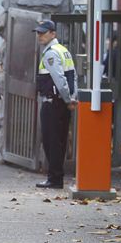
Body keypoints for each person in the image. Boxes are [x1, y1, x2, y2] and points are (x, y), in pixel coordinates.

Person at [34, 20, 77, 189]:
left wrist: (68, 100)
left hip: (53, 103)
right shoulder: (64, 51)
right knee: (59, 140)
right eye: (38, 32)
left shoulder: (51, 53)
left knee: (51, 140)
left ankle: (55, 178)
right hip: (62, 103)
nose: (39, 35)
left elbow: (60, 79)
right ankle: (56, 177)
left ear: (53, 33)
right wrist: (72, 98)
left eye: (43, 32)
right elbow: (73, 77)